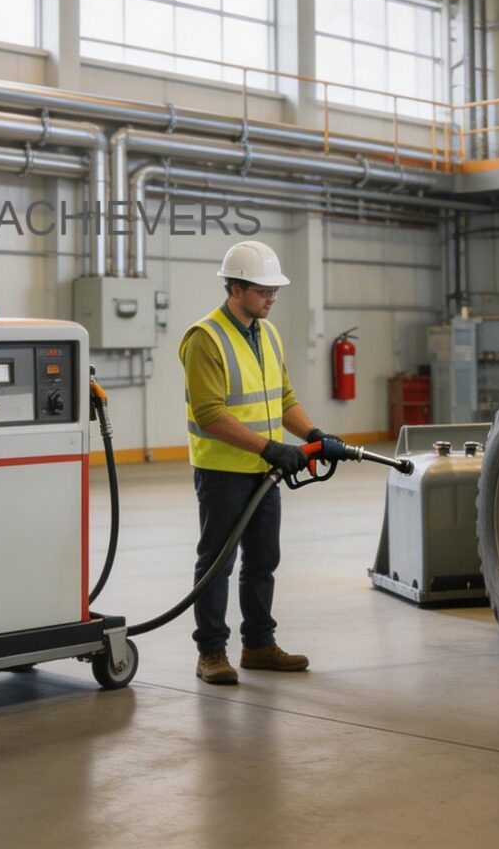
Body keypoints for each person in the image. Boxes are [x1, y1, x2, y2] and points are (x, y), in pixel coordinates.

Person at [179, 240, 345, 685]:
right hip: (224, 472)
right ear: (234, 288)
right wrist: (270, 448)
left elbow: (283, 398)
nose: (272, 296)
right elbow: (210, 414)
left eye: (274, 289)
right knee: (217, 562)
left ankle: (258, 645)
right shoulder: (205, 339)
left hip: (264, 472)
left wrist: (312, 434)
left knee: (263, 560)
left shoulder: (268, 333)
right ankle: (211, 653)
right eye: (262, 289)